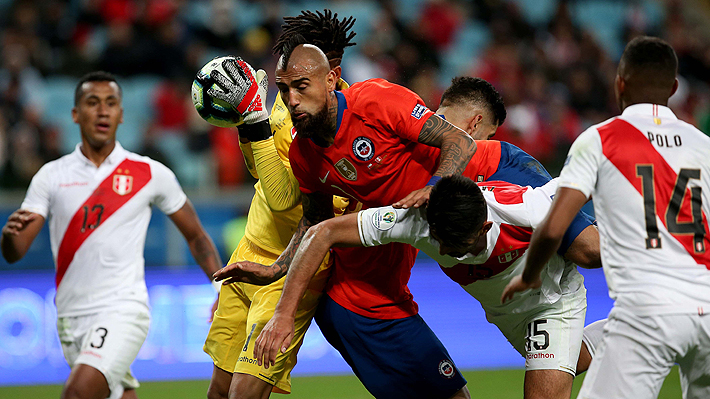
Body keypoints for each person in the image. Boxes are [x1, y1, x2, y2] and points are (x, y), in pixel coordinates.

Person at [215, 39, 478, 399]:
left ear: (331, 79)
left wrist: (434, 188)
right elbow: (314, 224)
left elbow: (460, 141)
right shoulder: (304, 154)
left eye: (301, 86)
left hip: (401, 271)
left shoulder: (375, 101)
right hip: (361, 296)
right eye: (284, 89)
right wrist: (275, 270)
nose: (292, 100)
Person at [249, 174, 599, 399]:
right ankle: (623, 333)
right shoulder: (415, 220)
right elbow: (321, 232)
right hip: (505, 313)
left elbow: (588, 175)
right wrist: (283, 315)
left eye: (455, 245)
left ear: (483, 227)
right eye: (438, 241)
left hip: (552, 303)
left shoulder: (528, 209)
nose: (443, 252)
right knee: (576, 358)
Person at [501, 36, 710, 399]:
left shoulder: (600, 140)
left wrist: (530, 275)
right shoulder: (701, 145)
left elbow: (554, 225)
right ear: (674, 87)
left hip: (648, 309)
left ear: (620, 82)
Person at [0, 72, 223, 399]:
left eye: (111, 103)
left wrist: (221, 288)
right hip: (70, 316)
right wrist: (7, 237)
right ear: (75, 114)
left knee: (76, 393)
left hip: (123, 309)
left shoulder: (150, 173)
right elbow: (14, 251)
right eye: (92, 103)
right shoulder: (51, 176)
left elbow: (196, 236)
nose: (103, 111)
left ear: (121, 114)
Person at [200, 10, 358, 399]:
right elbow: (262, 171)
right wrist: (247, 124)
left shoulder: (333, 119)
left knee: (245, 394)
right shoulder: (288, 102)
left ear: (330, 68)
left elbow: (288, 201)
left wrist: (252, 124)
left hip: (291, 267)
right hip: (249, 251)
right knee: (219, 392)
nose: (288, 79)